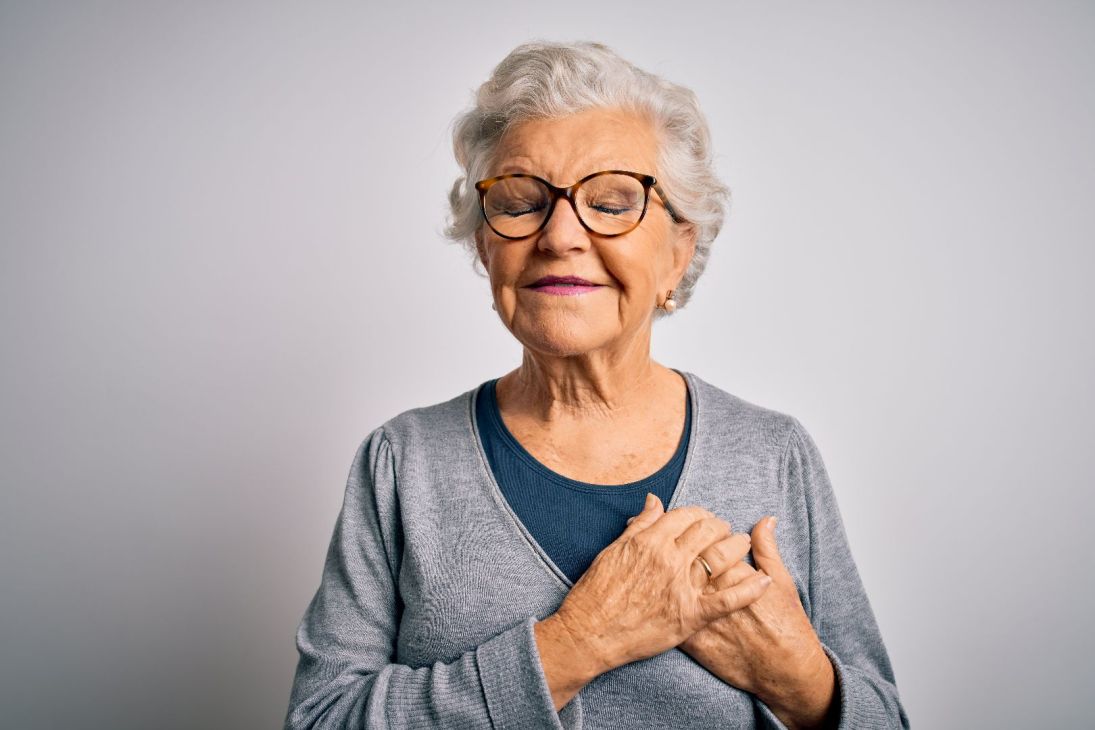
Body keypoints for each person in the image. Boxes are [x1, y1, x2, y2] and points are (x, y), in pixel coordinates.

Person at [284, 40, 909, 729]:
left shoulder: (772, 452)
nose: (558, 236)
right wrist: (575, 644)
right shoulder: (403, 461)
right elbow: (320, 719)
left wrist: (799, 680)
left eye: (610, 202)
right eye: (520, 203)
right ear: (483, 245)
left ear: (678, 252)